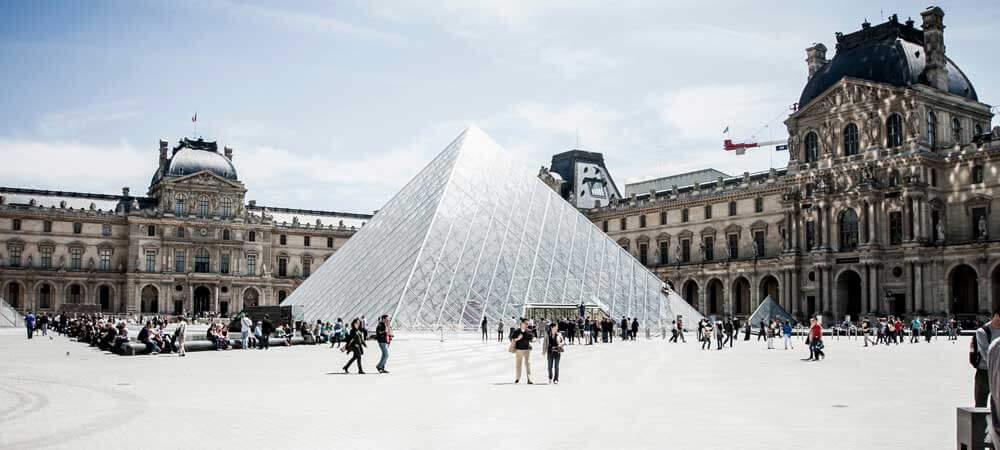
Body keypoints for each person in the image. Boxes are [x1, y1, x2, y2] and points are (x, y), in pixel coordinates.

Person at [974, 310, 1000, 407]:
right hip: (984, 373)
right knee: (980, 405)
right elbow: (986, 354)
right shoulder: (983, 331)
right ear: (996, 316)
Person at [512, 319, 534, 384]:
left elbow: (532, 338)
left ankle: (529, 378)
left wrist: (534, 339)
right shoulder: (516, 331)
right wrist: (518, 338)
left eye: (527, 324)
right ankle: (517, 378)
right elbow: (512, 339)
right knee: (518, 365)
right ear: (521, 324)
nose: (527, 325)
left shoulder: (529, 331)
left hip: (527, 350)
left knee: (528, 364)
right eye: (526, 323)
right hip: (519, 350)